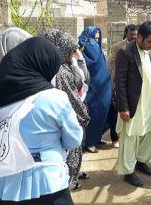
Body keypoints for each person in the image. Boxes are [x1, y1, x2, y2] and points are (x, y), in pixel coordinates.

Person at [0, 37, 83, 204]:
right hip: (48, 183)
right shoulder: (54, 98)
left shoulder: (0, 98)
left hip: (5, 185)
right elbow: (74, 140)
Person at [43, 29, 90, 190]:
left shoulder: (62, 65)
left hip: (62, 119)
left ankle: (70, 179)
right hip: (66, 120)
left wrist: (78, 62)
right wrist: (83, 115)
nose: (73, 54)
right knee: (69, 152)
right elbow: (71, 97)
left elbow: (82, 79)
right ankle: (68, 183)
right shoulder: (60, 71)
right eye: (70, 51)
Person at [115, 21, 151, 187]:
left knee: (147, 133)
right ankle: (128, 171)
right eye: (148, 41)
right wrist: (123, 107)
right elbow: (119, 82)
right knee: (130, 137)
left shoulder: (150, 50)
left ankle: (141, 161)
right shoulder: (125, 52)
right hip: (134, 104)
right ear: (139, 37)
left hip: (149, 102)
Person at [78, 26, 112, 153]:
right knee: (93, 115)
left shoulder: (96, 48)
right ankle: (88, 142)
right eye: (93, 38)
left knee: (102, 115)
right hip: (93, 90)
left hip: (103, 90)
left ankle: (96, 138)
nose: (95, 41)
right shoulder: (83, 50)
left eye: (97, 38)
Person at [108, 24, 138, 148]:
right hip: (119, 84)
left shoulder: (139, 47)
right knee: (116, 110)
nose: (134, 37)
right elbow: (111, 63)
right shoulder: (118, 47)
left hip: (133, 87)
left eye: (136, 35)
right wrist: (120, 78)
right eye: (132, 34)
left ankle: (129, 136)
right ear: (126, 34)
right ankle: (115, 138)